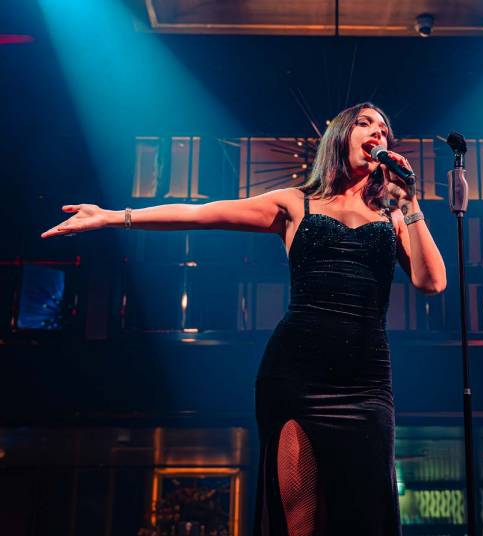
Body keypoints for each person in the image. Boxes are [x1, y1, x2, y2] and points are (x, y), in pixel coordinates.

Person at [42, 102, 446, 535]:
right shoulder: (295, 203)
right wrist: (112, 217)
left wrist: (410, 201)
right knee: (298, 519)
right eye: (365, 124)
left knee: (364, 518)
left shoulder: (393, 216)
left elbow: (432, 282)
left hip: (365, 383)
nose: (377, 134)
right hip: (297, 376)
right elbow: (202, 214)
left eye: (384, 130)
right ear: (340, 136)